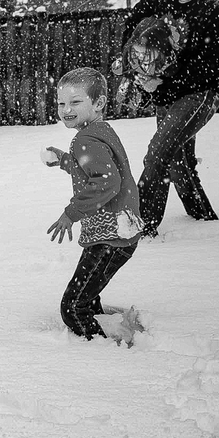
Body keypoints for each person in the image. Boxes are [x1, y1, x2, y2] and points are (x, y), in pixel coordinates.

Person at [116, 0, 219, 238]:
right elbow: (132, 24)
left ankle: (138, 227)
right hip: (164, 87)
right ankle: (204, 219)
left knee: (158, 152)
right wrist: (138, 66)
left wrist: (161, 85)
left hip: (201, 92)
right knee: (177, 162)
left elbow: (211, 64)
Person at [44, 68, 143, 342]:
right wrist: (64, 160)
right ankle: (104, 320)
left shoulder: (86, 139)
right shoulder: (98, 131)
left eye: (75, 102)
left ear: (98, 103)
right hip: (118, 232)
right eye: (61, 103)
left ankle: (100, 351)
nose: (66, 109)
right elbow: (91, 170)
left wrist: (70, 213)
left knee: (73, 308)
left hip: (109, 238)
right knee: (87, 292)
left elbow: (106, 182)